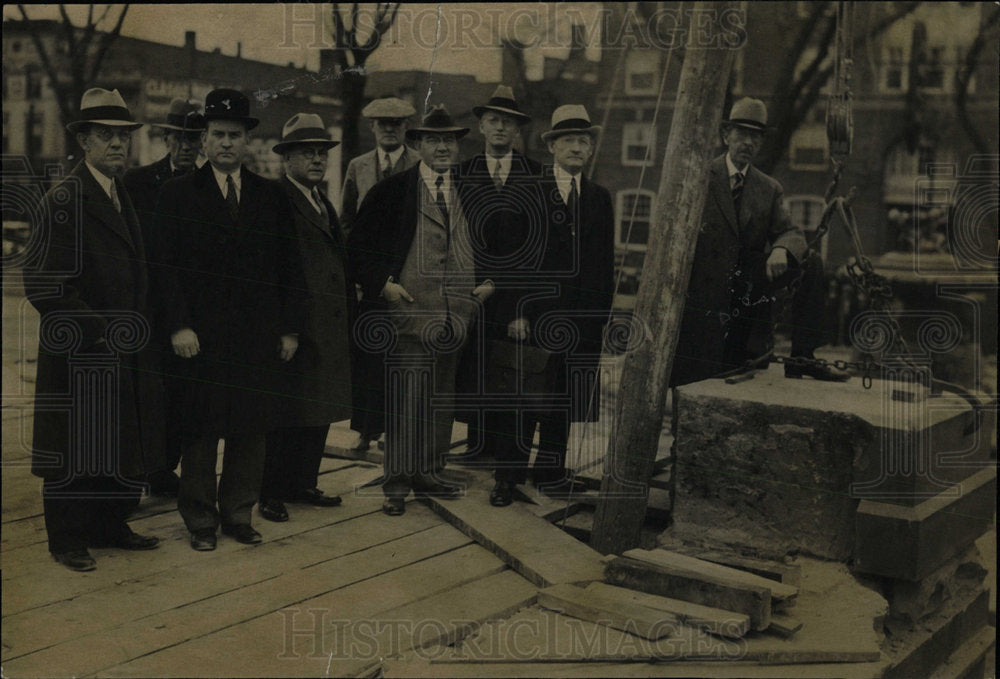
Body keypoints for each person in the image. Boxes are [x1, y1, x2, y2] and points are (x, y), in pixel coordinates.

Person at [151, 89, 307, 551]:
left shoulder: (270, 197)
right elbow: (164, 270)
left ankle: (239, 513)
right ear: (202, 140)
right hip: (200, 339)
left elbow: (289, 268)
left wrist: (290, 328)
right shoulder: (176, 194)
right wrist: (178, 325)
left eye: (234, 135)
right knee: (200, 430)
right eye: (216, 134)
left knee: (250, 430)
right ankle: (200, 520)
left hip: (256, 338)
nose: (225, 143)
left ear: (248, 141)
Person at [26, 88, 166, 571]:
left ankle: (111, 523)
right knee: (73, 446)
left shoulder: (117, 192)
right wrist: (102, 328)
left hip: (123, 346)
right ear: (83, 140)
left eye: (123, 137)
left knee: (117, 439)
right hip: (81, 351)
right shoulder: (64, 198)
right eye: (105, 136)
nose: (117, 146)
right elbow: (45, 287)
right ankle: (66, 540)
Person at [347, 105, 494, 517]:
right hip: (409, 316)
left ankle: (429, 471)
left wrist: (482, 289)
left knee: (440, 399)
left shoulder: (471, 192)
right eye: (433, 140)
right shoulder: (393, 192)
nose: (443, 147)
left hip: (455, 318)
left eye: (449, 140)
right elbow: (355, 249)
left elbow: (496, 246)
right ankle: (396, 484)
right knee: (406, 401)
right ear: (419, 144)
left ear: (458, 146)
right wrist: (385, 287)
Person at [671, 97, 849, 387]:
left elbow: (791, 231)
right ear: (726, 136)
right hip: (704, 287)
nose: (748, 143)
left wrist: (780, 249)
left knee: (810, 262)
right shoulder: (699, 177)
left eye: (755, 136)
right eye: (741, 134)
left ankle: (802, 356)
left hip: (747, 284)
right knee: (701, 375)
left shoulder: (768, 188)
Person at [488, 104, 615, 506]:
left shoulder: (598, 198)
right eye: (569, 141)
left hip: (580, 320)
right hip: (533, 317)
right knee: (522, 399)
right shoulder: (528, 191)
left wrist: (598, 320)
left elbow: (602, 265)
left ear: (590, 149)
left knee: (564, 399)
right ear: (553, 148)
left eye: (584, 141)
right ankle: (506, 479)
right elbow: (506, 258)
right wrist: (514, 313)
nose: (577, 148)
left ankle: (551, 474)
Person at [259, 113, 354, 523]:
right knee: (286, 411)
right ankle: (271, 491)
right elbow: (273, 269)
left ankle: (303, 482)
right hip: (297, 327)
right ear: (287, 158)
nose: (317, 159)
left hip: (326, 325)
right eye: (307, 153)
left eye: (321, 152)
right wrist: (286, 327)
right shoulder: (276, 199)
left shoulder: (321, 199)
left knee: (317, 407)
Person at [454, 85, 544, 467]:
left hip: (513, 299)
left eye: (508, 122)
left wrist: (521, 308)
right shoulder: (462, 175)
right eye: (493, 121)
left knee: (513, 378)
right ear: (481, 127)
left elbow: (540, 250)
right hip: (472, 294)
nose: (500, 128)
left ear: (517, 130)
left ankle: (509, 465)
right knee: (475, 371)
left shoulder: (536, 176)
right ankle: (478, 449)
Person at [122, 97, 206, 499]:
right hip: (149, 311)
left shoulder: (213, 186)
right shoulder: (136, 183)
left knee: (187, 396)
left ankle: (165, 470)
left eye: (195, 138)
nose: (187, 146)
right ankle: (144, 470)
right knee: (150, 397)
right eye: (180, 138)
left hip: (196, 313)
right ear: (167, 138)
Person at [340, 97, 421, 455]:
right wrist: (354, 270)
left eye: (397, 123)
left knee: (401, 355)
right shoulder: (358, 166)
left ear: (406, 128)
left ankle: (395, 430)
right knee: (369, 352)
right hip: (369, 274)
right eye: (383, 123)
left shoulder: (419, 164)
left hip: (407, 270)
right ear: (372, 127)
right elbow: (346, 220)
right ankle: (365, 430)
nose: (390, 128)